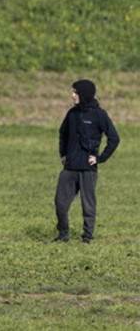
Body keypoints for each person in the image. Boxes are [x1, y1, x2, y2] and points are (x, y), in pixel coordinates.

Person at [54, 79, 120, 243]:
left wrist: (100, 158)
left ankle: (87, 237)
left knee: (88, 206)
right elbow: (62, 134)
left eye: (75, 92)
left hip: (88, 169)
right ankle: (63, 236)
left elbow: (114, 138)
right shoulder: (72, 113)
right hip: (69, 167)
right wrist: (63, 154)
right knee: (60, 203)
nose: (72, 95)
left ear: (83, 94)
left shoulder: (99, 114)